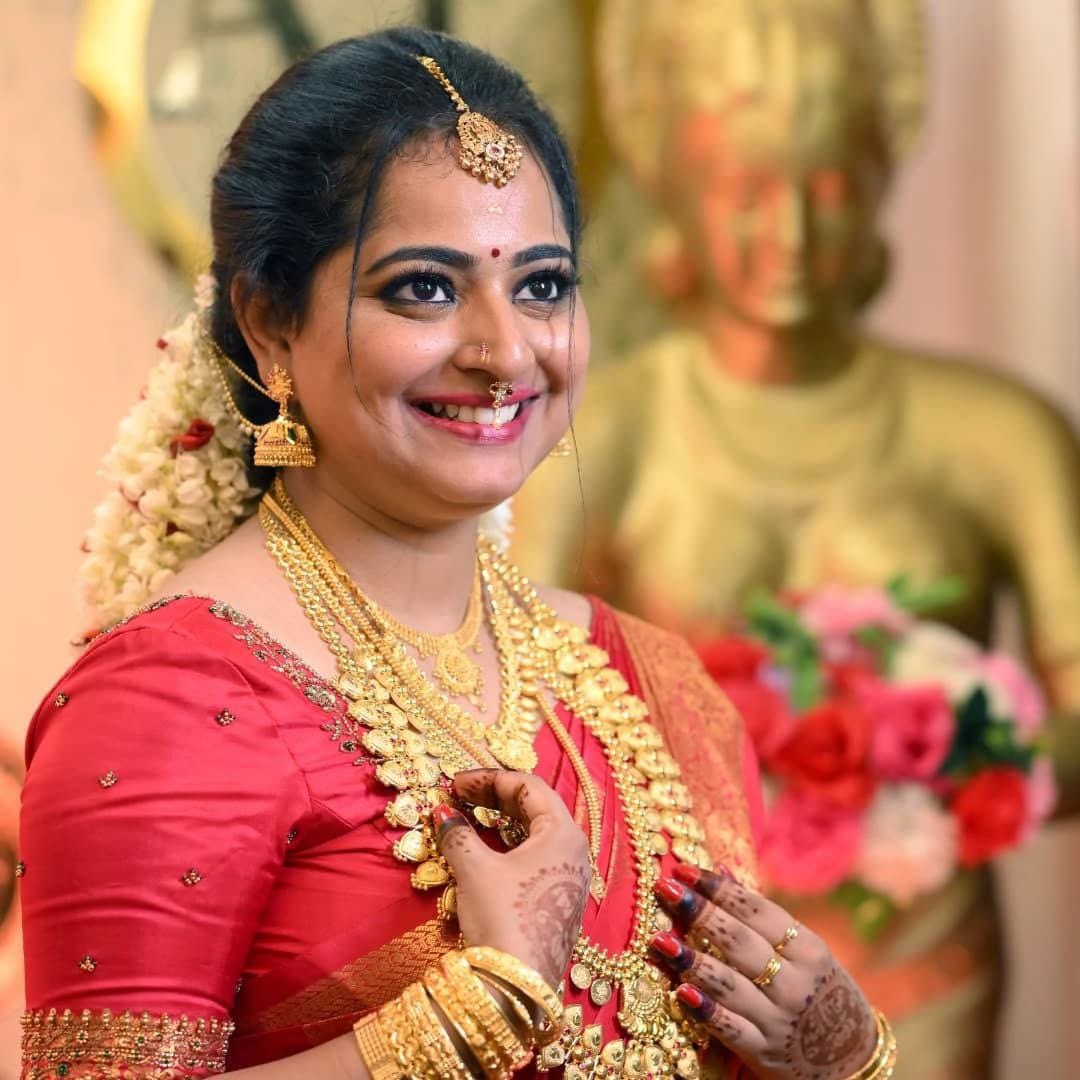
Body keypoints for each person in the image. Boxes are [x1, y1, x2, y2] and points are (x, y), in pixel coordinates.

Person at [19, 29, 895, 1080]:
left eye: (542, 285)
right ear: (269, 324)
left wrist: (843, 1058)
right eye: (425, 288)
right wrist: (479, 1008)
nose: (505, 350)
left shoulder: (653, 685)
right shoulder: (171, 701)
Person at [513, 3, 1080, 1074]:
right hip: (680, 967)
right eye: (746, 192)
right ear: (677, 190)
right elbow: (508, 717)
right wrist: (718, 746)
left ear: (877, 180)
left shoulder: (998, 435)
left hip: (922, 968)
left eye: (826, 189)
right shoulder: (602, 432)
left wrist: (925, 747)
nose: (791, 235)